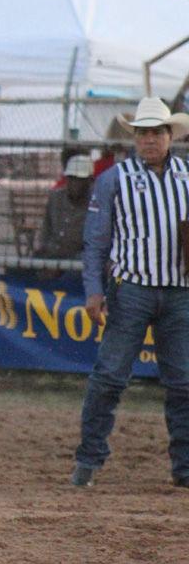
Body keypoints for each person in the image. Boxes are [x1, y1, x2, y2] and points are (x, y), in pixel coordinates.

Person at [71, 97, 189, 488]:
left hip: (179, 291)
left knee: (184, 384)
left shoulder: (187, 177)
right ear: (134, 137)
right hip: (132, 287)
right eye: (143, 133)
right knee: (109, 378)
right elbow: (96, 241)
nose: (150, 140)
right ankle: (88, 461)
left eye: (156, 132)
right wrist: (93, 290)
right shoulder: (114, 179)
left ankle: (185, 468)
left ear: (170, 136)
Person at [36, 155, 93, 260]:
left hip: (78, 259)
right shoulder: (55, 197)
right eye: (71, 178)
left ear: (89, 180)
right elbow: (45, 230)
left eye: (79, 179)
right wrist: (45, 252)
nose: (74, 183)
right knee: (15, 269)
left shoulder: (97, 204)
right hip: (52, 253)